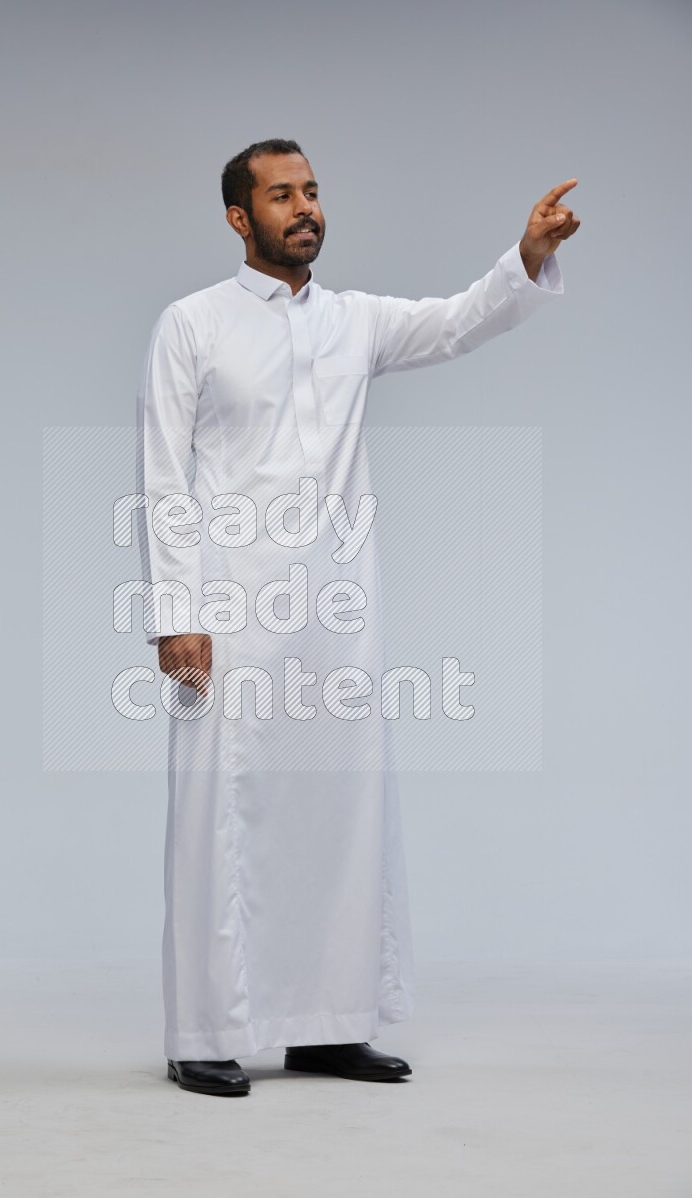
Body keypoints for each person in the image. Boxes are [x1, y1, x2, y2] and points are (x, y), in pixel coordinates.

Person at [136, 139, 579, 1097]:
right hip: (228, 613)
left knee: (340, 813)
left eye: (312, 192)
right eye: (281, 195)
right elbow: (164, 475)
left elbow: (459, 323)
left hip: (338, 617)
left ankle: (327, 1026)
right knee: (218, 817)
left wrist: (528, 255)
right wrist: (175, 610)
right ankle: (200, 1030)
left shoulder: (354, 323)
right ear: (237, 217)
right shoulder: (193, 325)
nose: (304, 208)